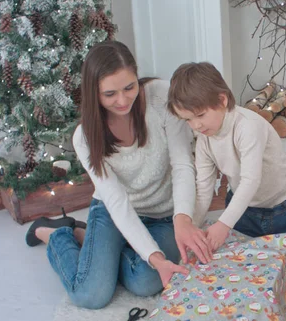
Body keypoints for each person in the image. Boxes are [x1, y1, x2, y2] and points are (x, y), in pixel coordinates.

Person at [24, 41, 212, 309]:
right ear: (94, 93)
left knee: (146, 281)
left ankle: (94, 243)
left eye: (129, 87)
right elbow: (117, 203)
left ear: (137, 76)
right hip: (113, 211)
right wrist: (156, 257)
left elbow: (183, 164)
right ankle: (57, 235)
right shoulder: (85, 137)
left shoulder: (162, 96)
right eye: (110, 94)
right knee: (91, 295)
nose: (123, 100)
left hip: (163, 213)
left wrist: (183, 219)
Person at [166, 62, 286, 266]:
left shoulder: (248, 126)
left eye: (200, 115)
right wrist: (193, 227)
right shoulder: (204, 138)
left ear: (221, 100)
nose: (196, 125)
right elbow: (203, 188)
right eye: (188, 120)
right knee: (242, 260)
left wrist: (223, 225)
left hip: (285, 207)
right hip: (246, 211)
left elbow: (250, 181)